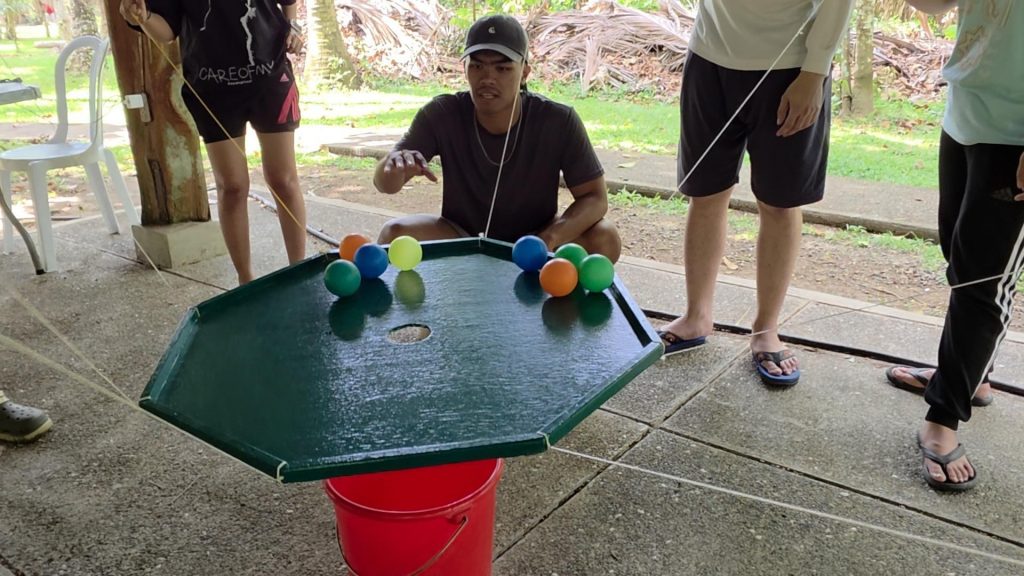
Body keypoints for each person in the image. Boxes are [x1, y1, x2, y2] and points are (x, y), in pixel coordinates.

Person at [657, 0, 854, 387]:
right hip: (709, 55)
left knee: (779, 204)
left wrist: (815, 72)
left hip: (791, 68)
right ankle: (697, 315)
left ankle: (766, 329)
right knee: (705, 194)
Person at [891, 0, 1024, 491]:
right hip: (966, 112)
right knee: (959, 255)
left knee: (984, 281)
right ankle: (971, 378)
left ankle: (943, 418)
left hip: (1015, 136)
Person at [373, 15, 621, 261]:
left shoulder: (557, 120)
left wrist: (549, 238)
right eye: (477, 66)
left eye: (502, 68)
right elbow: (385, 185)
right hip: (461, 235)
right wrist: (394, 169)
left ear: (524, 72)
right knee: (394, 234)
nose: (487, 79)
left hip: (535, 238)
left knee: (605, 237)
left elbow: (595, 197)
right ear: (465, 68)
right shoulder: (442, 113)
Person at [120, 0, 307, 285]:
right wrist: (143, 17)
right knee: (232, 186)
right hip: (212, 89)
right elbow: (167, 31)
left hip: (270, 80)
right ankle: (245, 281)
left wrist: (293, 25)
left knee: (283, 180)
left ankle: (300, 272)